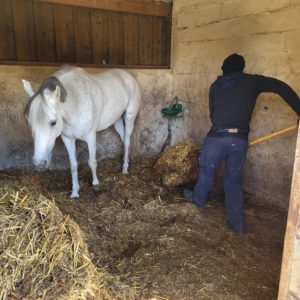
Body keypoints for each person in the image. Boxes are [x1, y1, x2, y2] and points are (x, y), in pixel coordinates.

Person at [183, 53, 300, 235]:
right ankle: (237, 226)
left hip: (217, 137)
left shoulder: (215, 86)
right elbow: (280, 87)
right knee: (233, 181)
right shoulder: (253, 82)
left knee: (206, 171)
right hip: (239, 140)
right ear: (242, 69)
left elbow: (213, 115)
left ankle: (198, 203)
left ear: (223, 68)